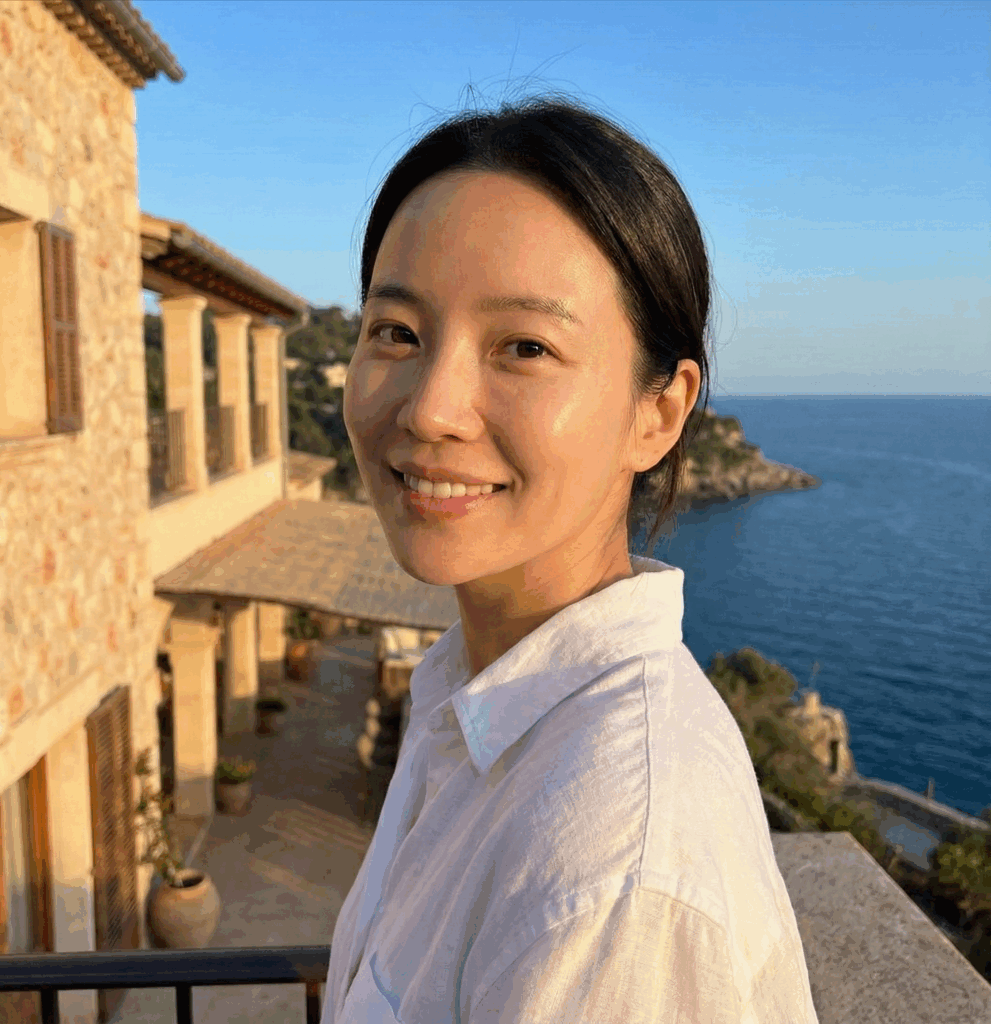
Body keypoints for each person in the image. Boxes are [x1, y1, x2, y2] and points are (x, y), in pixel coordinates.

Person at [324, 95, 820, 1023]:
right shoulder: (469, 703)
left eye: (524, 346)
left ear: (659, 413)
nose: (431, 408)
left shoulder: (614, 870)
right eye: (396, 332)